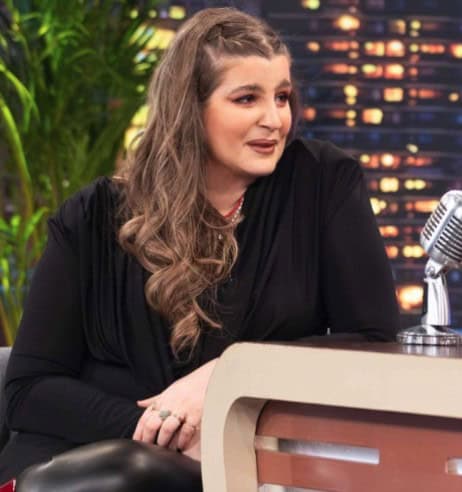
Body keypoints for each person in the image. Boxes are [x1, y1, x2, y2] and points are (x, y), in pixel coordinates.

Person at [0, 6, 400, 486]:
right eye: (247, 98)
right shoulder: (92, 216)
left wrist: (228, 374)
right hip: (78, 462)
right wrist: (159, 430)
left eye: (282, 97)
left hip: (240, 464)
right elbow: (28, 390)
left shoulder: (321, 184)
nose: (275, 119)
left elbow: (373, 339)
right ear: (190, 107)